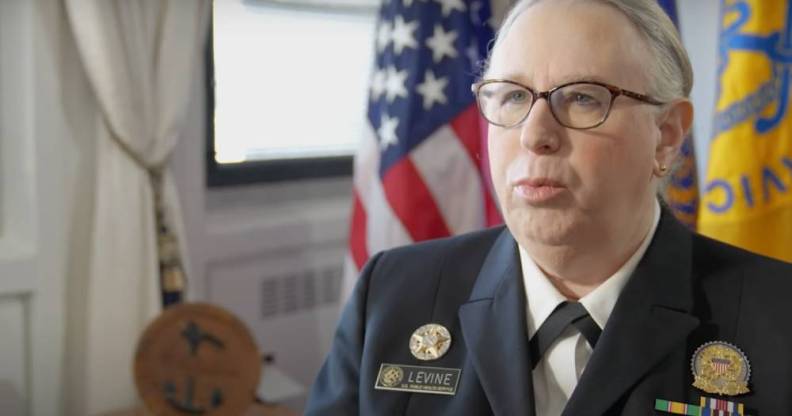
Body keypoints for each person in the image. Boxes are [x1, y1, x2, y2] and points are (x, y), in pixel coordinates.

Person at [305, 0, 792, 415]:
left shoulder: (778, 315)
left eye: (582, 97)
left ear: (665, 137)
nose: (535, 134)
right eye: (513, 96)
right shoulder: (390, 295)